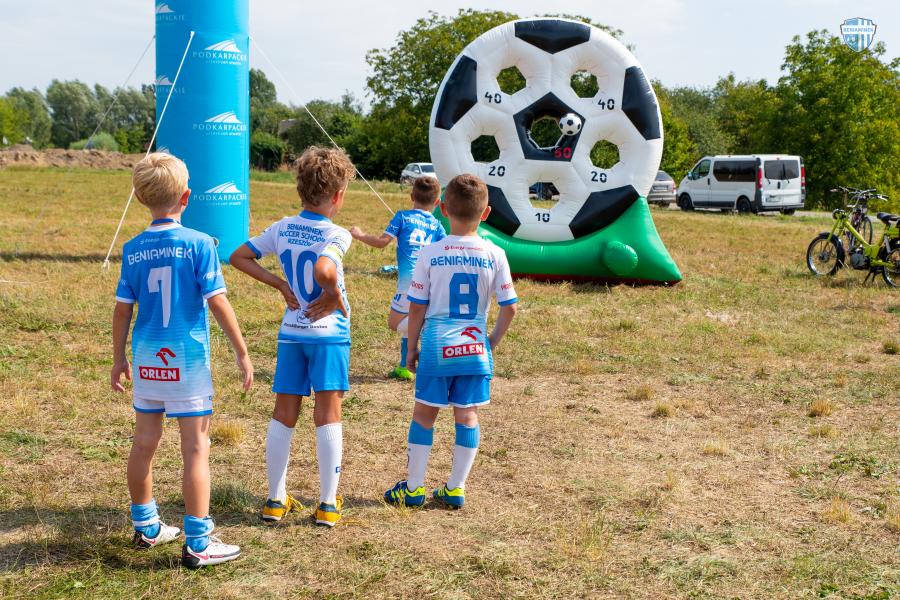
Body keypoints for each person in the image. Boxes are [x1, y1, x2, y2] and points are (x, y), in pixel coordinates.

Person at [111, 153, 253, 568]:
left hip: (148, 359)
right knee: (195, 448)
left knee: (144, 442)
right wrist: (242, 351)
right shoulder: (200, 243)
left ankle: (146, 526)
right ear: (186, 197)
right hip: (187, 364)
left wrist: (118, 357)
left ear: (140, 197)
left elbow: (122, 309)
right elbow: (218, 302)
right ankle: (198, 541)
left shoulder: (132, 249)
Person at [230, 146, 356, 527]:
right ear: (338, 196)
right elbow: (324, 269)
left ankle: (274, 499)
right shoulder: (337, 233)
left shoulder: (282, 227)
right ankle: (328, 504)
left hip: (292, 333)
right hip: (328, 336)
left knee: (284, 413)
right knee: (327, 413)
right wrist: (334, 296)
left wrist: (279, 284)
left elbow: (239, 256)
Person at [383, 173, 518, 509]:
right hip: (474, 348)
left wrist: (411, 349)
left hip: (436, 348)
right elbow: (510, 307)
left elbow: (417, 308)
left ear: (443, 209)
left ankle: (414, 488)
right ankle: (456, 488)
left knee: (424, 415)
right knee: (467, 415)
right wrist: (491, 341)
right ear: (486, 213)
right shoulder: (496, 254)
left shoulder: (430, 253)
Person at [349, 176, 445, 380]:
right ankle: (404, 367)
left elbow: (381, 242)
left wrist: (359, 234)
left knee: (395, 323)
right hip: (429, 282)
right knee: (410, 324)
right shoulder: (437, 225)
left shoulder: (402, 216)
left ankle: (429, 330)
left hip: (409, 284)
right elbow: (445, 249)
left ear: (412, 196)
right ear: (437, 202)